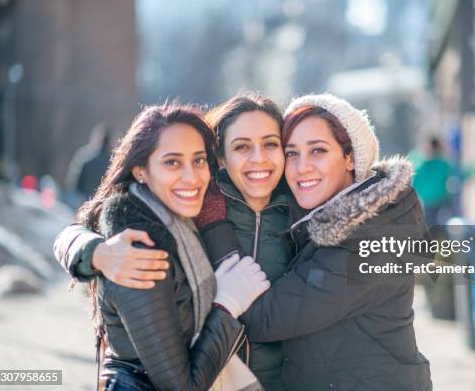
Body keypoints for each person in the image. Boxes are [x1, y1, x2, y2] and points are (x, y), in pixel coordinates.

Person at [54, 94, 291, 391]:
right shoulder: (149, 237)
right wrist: (98, 252)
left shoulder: (297, 214)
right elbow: (74, 231)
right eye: (242, 146)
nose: (190, 176)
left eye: (271, 143)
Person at [239, 94, 433, 390]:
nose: (301, 167)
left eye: (317, 150)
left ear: (350, 157)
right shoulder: (320, 220)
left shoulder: (368, 237)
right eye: (291, 153)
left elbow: (265, 319)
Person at [65, 122, 112, 208]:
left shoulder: (85, 158)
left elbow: (75, 184)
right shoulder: (113, 163)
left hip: (85, 203)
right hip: (104, 205)